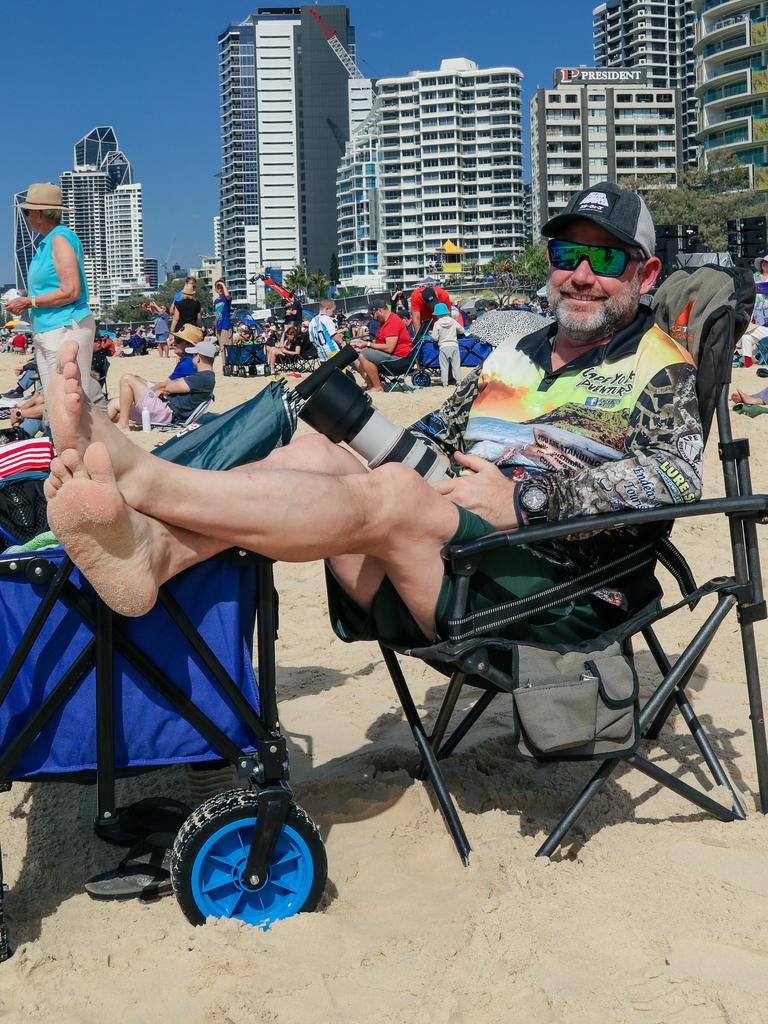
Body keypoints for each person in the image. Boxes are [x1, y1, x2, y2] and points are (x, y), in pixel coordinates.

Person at [43, 182, 702, 658]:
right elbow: (428, 436)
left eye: (606, 259)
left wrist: (525, 498)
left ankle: (146, 478)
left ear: (644, 277)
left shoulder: (660, 365)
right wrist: (385, 458)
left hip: (559, 597)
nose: (581, 275)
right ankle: (157, 552)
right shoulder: (515, 352)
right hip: (448, 556)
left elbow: (676, 480)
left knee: (387, 494)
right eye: (567, 255)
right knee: (318, 457)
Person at [5, 183, 104, 409]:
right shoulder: (48, 242)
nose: (26, 216)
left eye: (27, 211)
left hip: (65, 326)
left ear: (39, 213)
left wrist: (29, 301)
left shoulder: (59, 239)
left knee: (67, 400)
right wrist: (25, 296)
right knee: (55, 400)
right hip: (50, 327)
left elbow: (71, 290)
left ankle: (81, 444)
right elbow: (54, 286)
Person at [105, 340, 217, 430]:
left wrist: (149, 391)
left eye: (193, 355)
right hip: (163, 410)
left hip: (167, 413)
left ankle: (123, 424)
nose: (191, 357)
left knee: (127, 378)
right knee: (116, 403)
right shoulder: (205, 377)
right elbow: (170, 387)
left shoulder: (203, 378)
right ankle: (101, 427)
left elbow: (167, 387)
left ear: (198, 358)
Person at [352, 300, 413, 391]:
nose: (373, 317)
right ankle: (370, 385)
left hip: (399, 359)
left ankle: (377, 387)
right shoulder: (385, 321)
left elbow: (389, 348)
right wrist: (365, 346)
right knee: (356, 357)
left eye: (373, 314)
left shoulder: (392, 322)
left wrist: (368, 344)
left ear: (379, 310)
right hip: (393, 355)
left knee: (364, 355)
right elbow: (382, 344)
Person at [431, 302, 465, 387]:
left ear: (437, 314)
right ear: (446, 312)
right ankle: (458, 381)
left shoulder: (437, 323)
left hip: (443, 346)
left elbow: (434, 338)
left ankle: (445, 383)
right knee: (456, 365)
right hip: (454, 345)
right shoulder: (453, 321)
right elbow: (462, 330)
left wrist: (432, 334)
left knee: (444, 366)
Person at [213, 280, 233, 352]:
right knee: (222, 349)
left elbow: (227, 295)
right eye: (218, 288)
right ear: (215, 290)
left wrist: (222, 284)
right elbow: (217, 316)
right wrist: (216, 329)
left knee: (227, 350)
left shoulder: (226, 299)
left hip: (226, 327)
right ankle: (224, 363)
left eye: (222, 287)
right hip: (219, 328)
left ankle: (228, 363)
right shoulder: (215, 301)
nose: (220, 289)